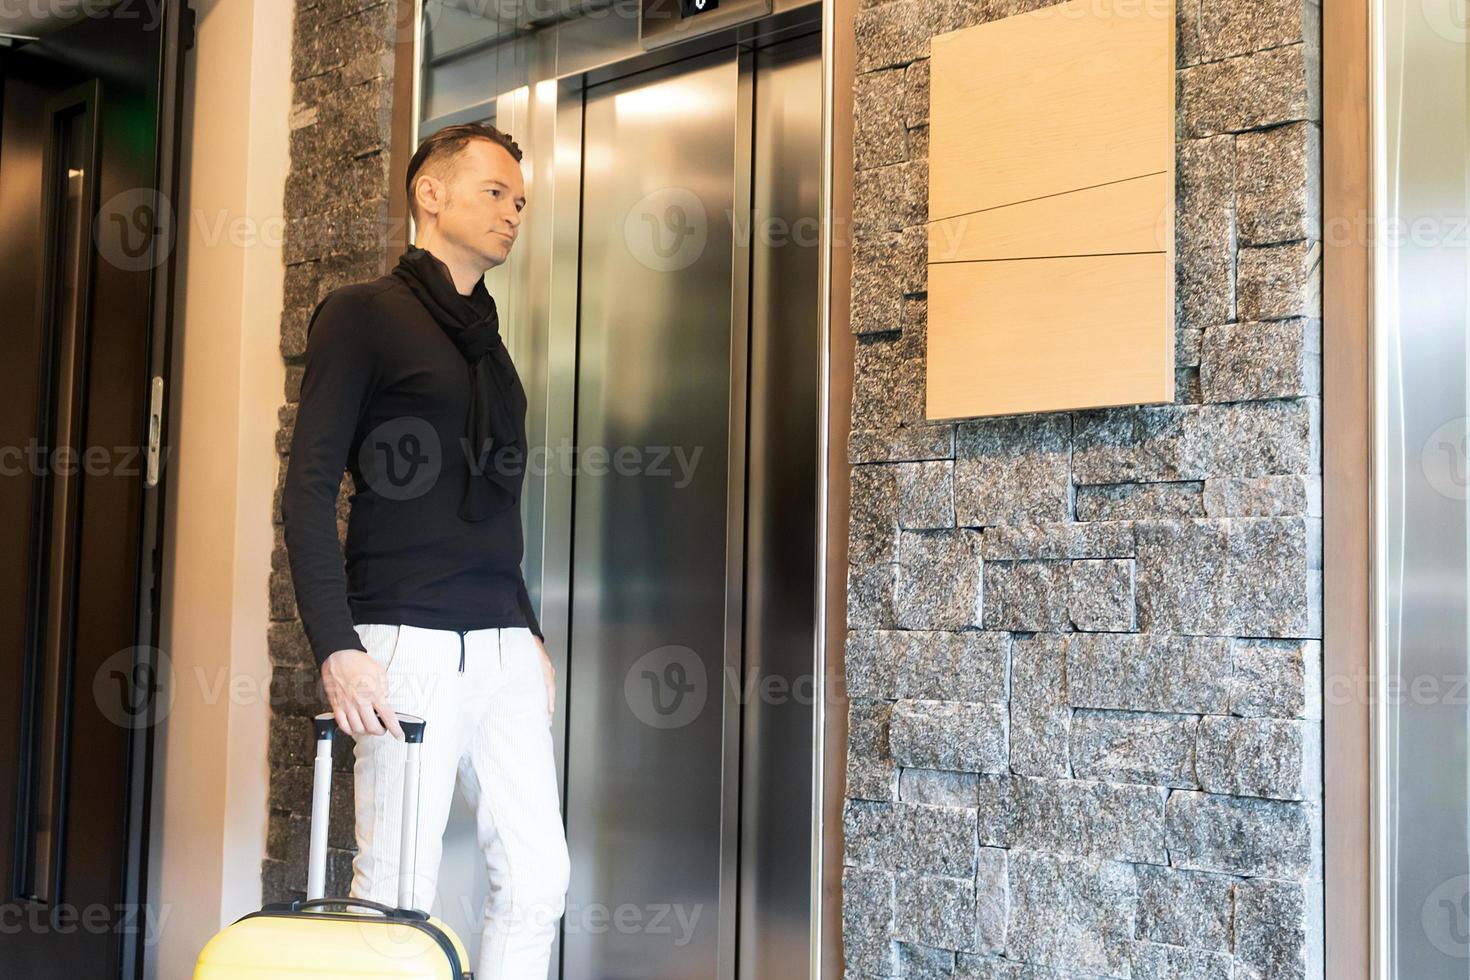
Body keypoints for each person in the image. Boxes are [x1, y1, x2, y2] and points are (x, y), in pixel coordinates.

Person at [281, 122, 570, 979]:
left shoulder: (488, 345)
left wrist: (529, 632)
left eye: (521, 200)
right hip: (405, 644)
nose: (513, 212)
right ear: (429, 194)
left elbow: (491, 506)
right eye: (494, 192)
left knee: (537, 877)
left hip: (502, 647)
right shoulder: (364, 314)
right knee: (399, 894)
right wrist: (336, 644)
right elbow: (306, 490)